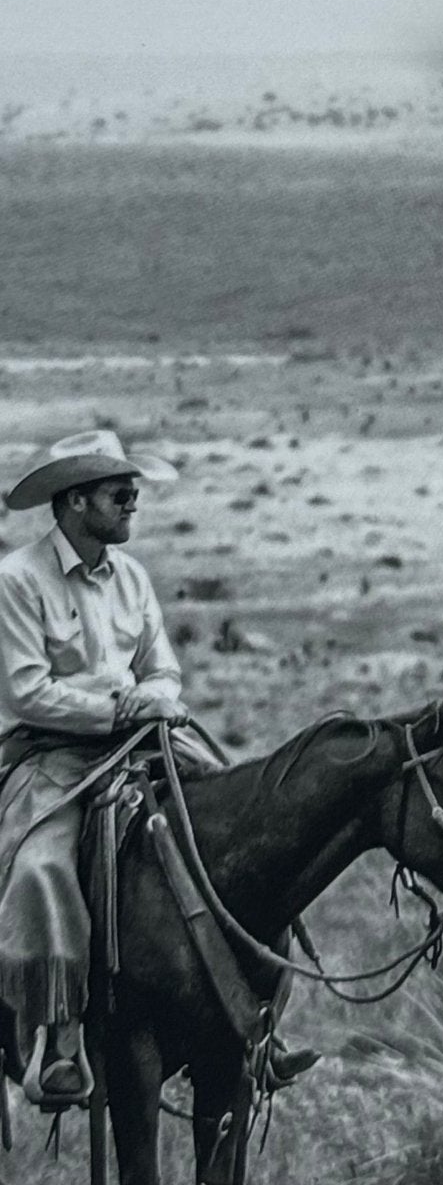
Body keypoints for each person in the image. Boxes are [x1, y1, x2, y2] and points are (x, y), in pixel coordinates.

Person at [0, 430, 316, 1106]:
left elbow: (162, 665)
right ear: (76, 500)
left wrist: (158, 697)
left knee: (246, 823)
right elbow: (26, 692)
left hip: (145, 740)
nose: (132, 502)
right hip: (52, 755)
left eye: (132, 491)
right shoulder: (18, 580)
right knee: (42, 869)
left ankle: (255, 1022)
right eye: (119, 493)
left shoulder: (133, 577)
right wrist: (119, 707)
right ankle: (58, 1038)